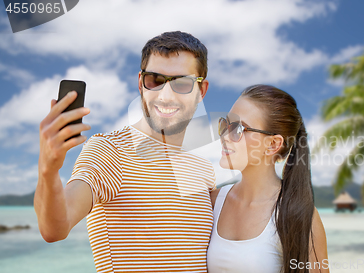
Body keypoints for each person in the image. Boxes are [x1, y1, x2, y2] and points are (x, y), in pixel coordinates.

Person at [35, 31, 217, 272]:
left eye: (181, 83)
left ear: (201, 90)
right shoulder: (110, 151)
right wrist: (48, 169)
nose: (165, 95)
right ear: (141, 83)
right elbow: (54, 228)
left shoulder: (203, 169)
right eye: (155, 80)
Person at [207, 85, 329, 273]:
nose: (224, 135)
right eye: (224, 124)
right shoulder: (213, 202)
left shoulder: (298, 216)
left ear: (273, 144)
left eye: (238, 128)